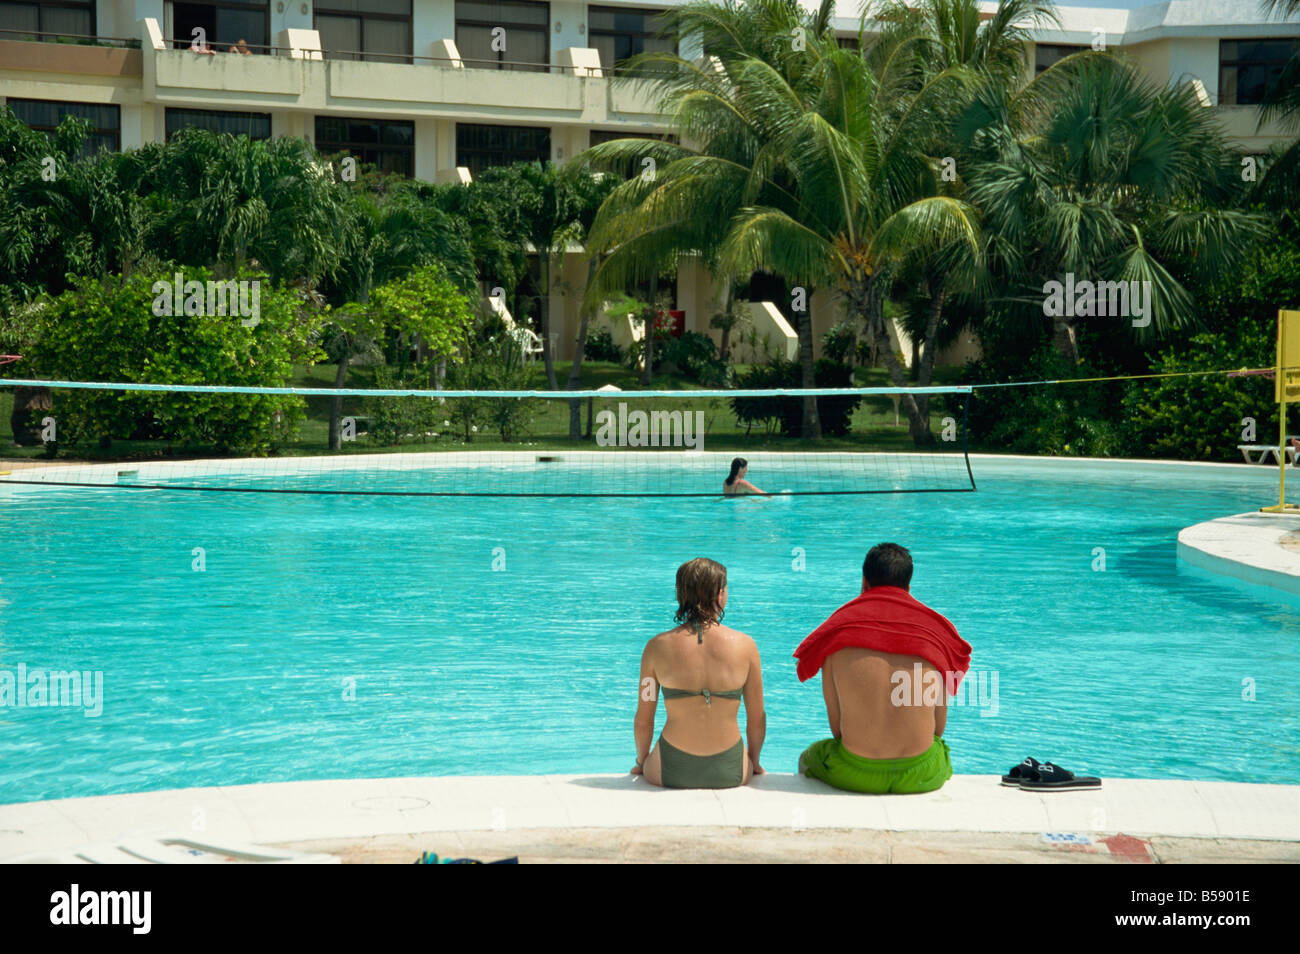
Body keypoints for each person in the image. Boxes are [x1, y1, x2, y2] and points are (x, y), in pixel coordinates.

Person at [793, 543, 971, 795]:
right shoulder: (935, 636)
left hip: (855, 772)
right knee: (939, 749)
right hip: (921, 773)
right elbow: (937, 730)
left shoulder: (836, 633)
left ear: (864, 582)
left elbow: (837, 731)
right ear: (908, 587)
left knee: (808, 757)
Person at [633, 558, 765, 788]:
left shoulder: (655, 647)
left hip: (668, 769)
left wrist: (642, 760)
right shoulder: (746, 646)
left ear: (680, 595)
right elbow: (757, 719)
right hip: (731, 769)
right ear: (721, 595)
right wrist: (754, 761)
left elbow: (644, 718)